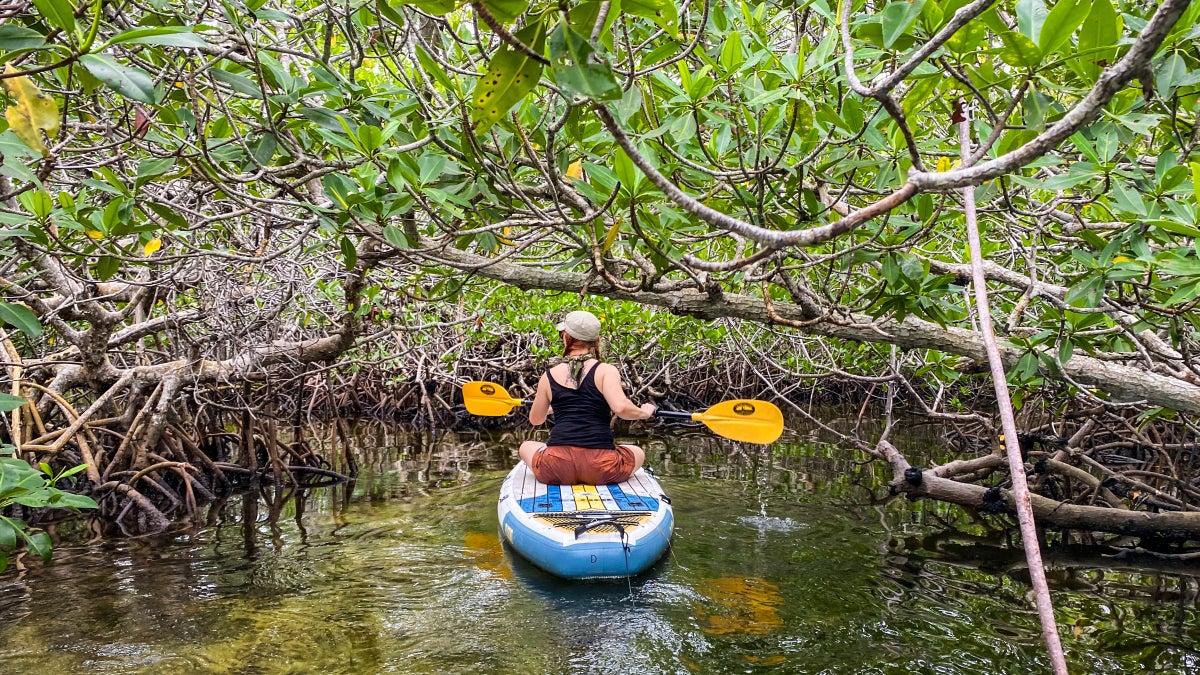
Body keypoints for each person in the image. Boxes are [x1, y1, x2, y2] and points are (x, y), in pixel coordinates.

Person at [517, 310, 657, 485]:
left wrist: (556, 407)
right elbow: (621, 408)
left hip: (557, 467)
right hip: (601, 468)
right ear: (595, 341)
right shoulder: (606, 371)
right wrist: (644, 413)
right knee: (637, 452)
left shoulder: (548, 375)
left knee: (526, 446)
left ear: (566, 337)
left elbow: (536, 419)